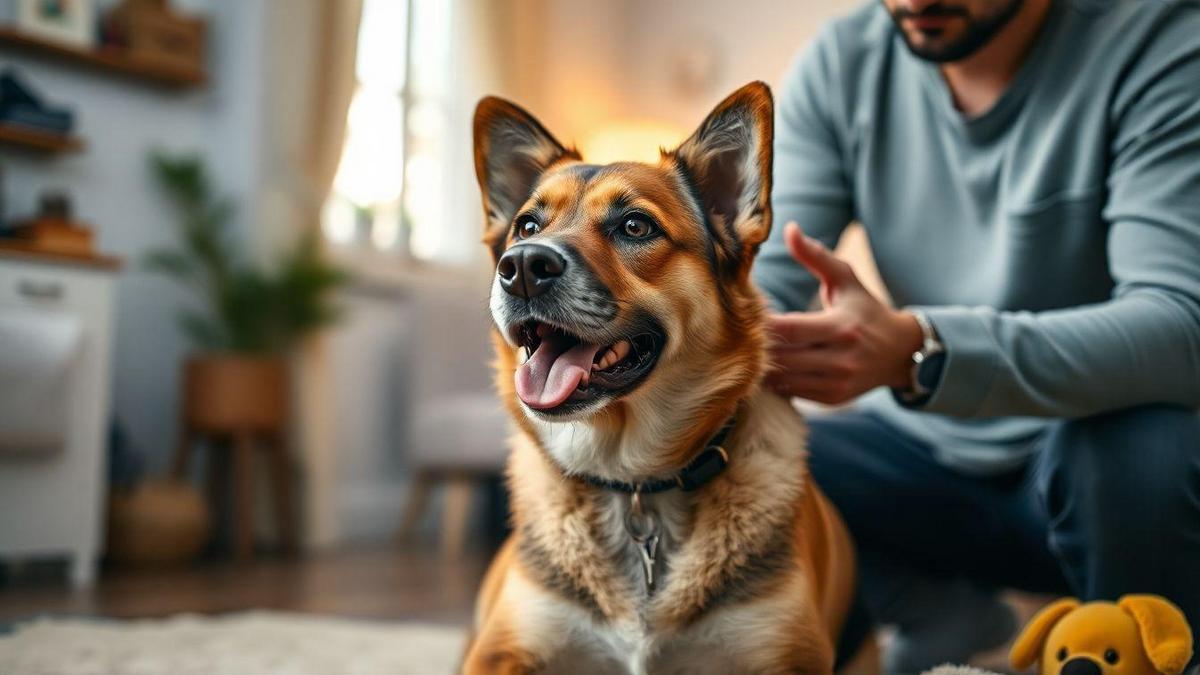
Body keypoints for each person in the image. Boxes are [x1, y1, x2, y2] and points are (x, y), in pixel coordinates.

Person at [753, 0, 1200, 671]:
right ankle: (938, 612)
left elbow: (1179, 324)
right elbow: (756, 292)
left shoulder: (1163, 41)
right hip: (923, 455)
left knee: (1137, 451)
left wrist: (921, 349)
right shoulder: (846, 60)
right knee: (753, 456)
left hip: (1094, 459)